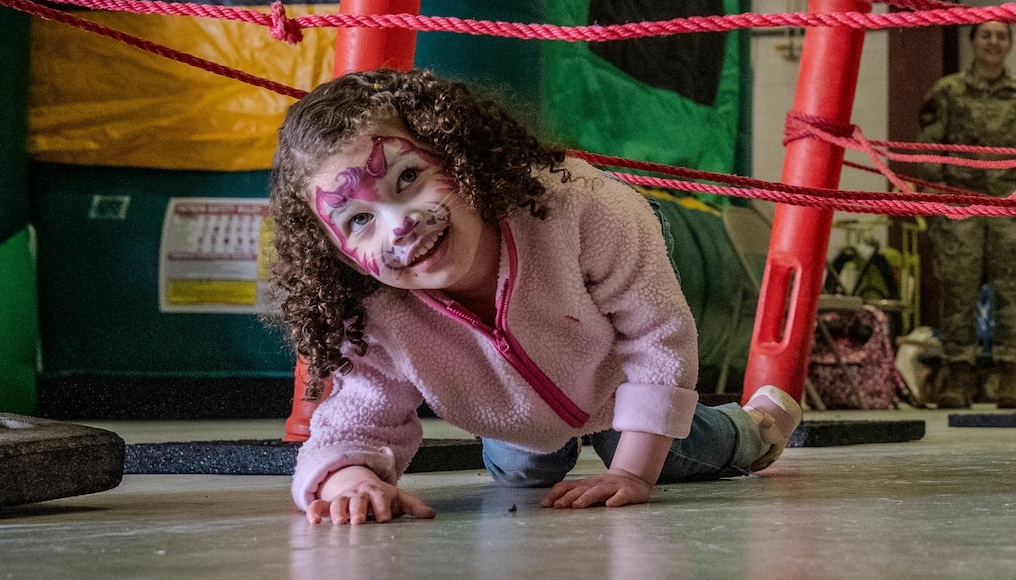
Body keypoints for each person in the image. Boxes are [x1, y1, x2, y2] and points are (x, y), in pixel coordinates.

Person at [268, 69, 802, 524]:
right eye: (359, 220)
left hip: (615, 388)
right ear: (337, 255)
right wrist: (352, 484)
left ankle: (755, 425)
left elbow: (656, 334)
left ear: (459, 154)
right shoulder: (376, 312)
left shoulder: (581, 208)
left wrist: (632, 474)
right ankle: (545, 446)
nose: (400, 226)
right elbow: (358, 419)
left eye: (409, 177)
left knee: (683, 448)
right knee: (523, 474)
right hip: (514, 417)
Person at [916, 20, 1016, 409]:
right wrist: (942, 197)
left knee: (1012, 294)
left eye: (1001, 36)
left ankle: (1010, 377)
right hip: (961, 206)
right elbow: (927, 149)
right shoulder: (948, 92)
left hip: (1011, 205)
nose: (993, 42)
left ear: (1009, 44)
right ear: (972, 42)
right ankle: (959, 377)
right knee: (959, 292)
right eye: (986, 35)